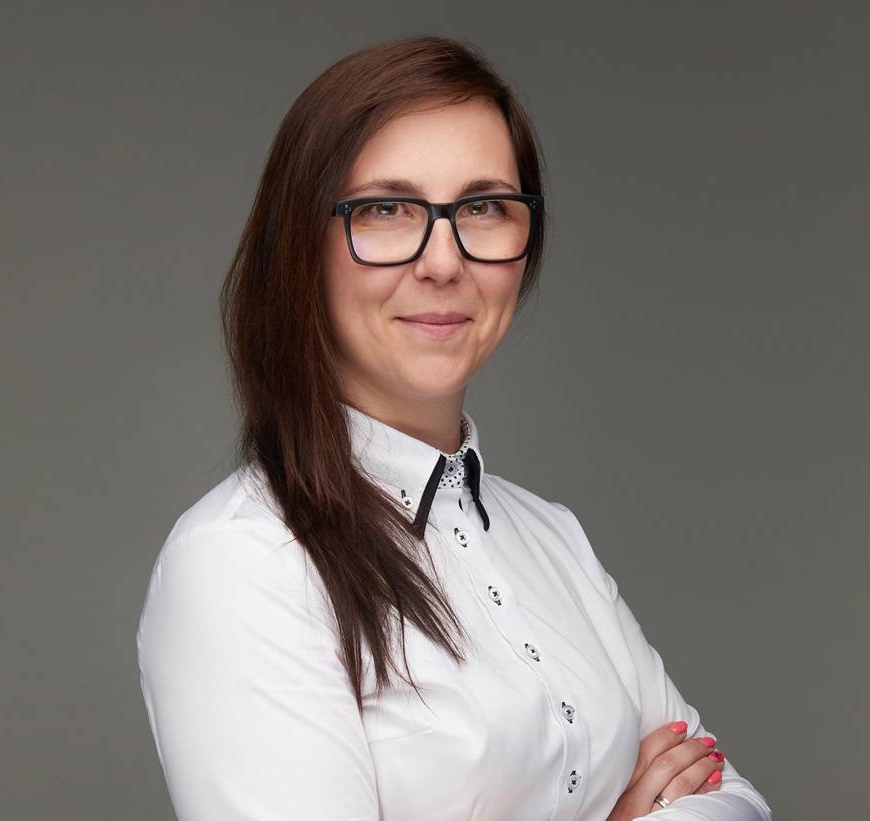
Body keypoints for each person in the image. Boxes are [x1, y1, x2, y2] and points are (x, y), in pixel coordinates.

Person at [134, 35, 772, 820]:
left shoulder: (553, 536)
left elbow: (735, 799)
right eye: (386, 208)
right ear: (302, 247)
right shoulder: (241, 562)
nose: (443, 261)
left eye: (483, 207)